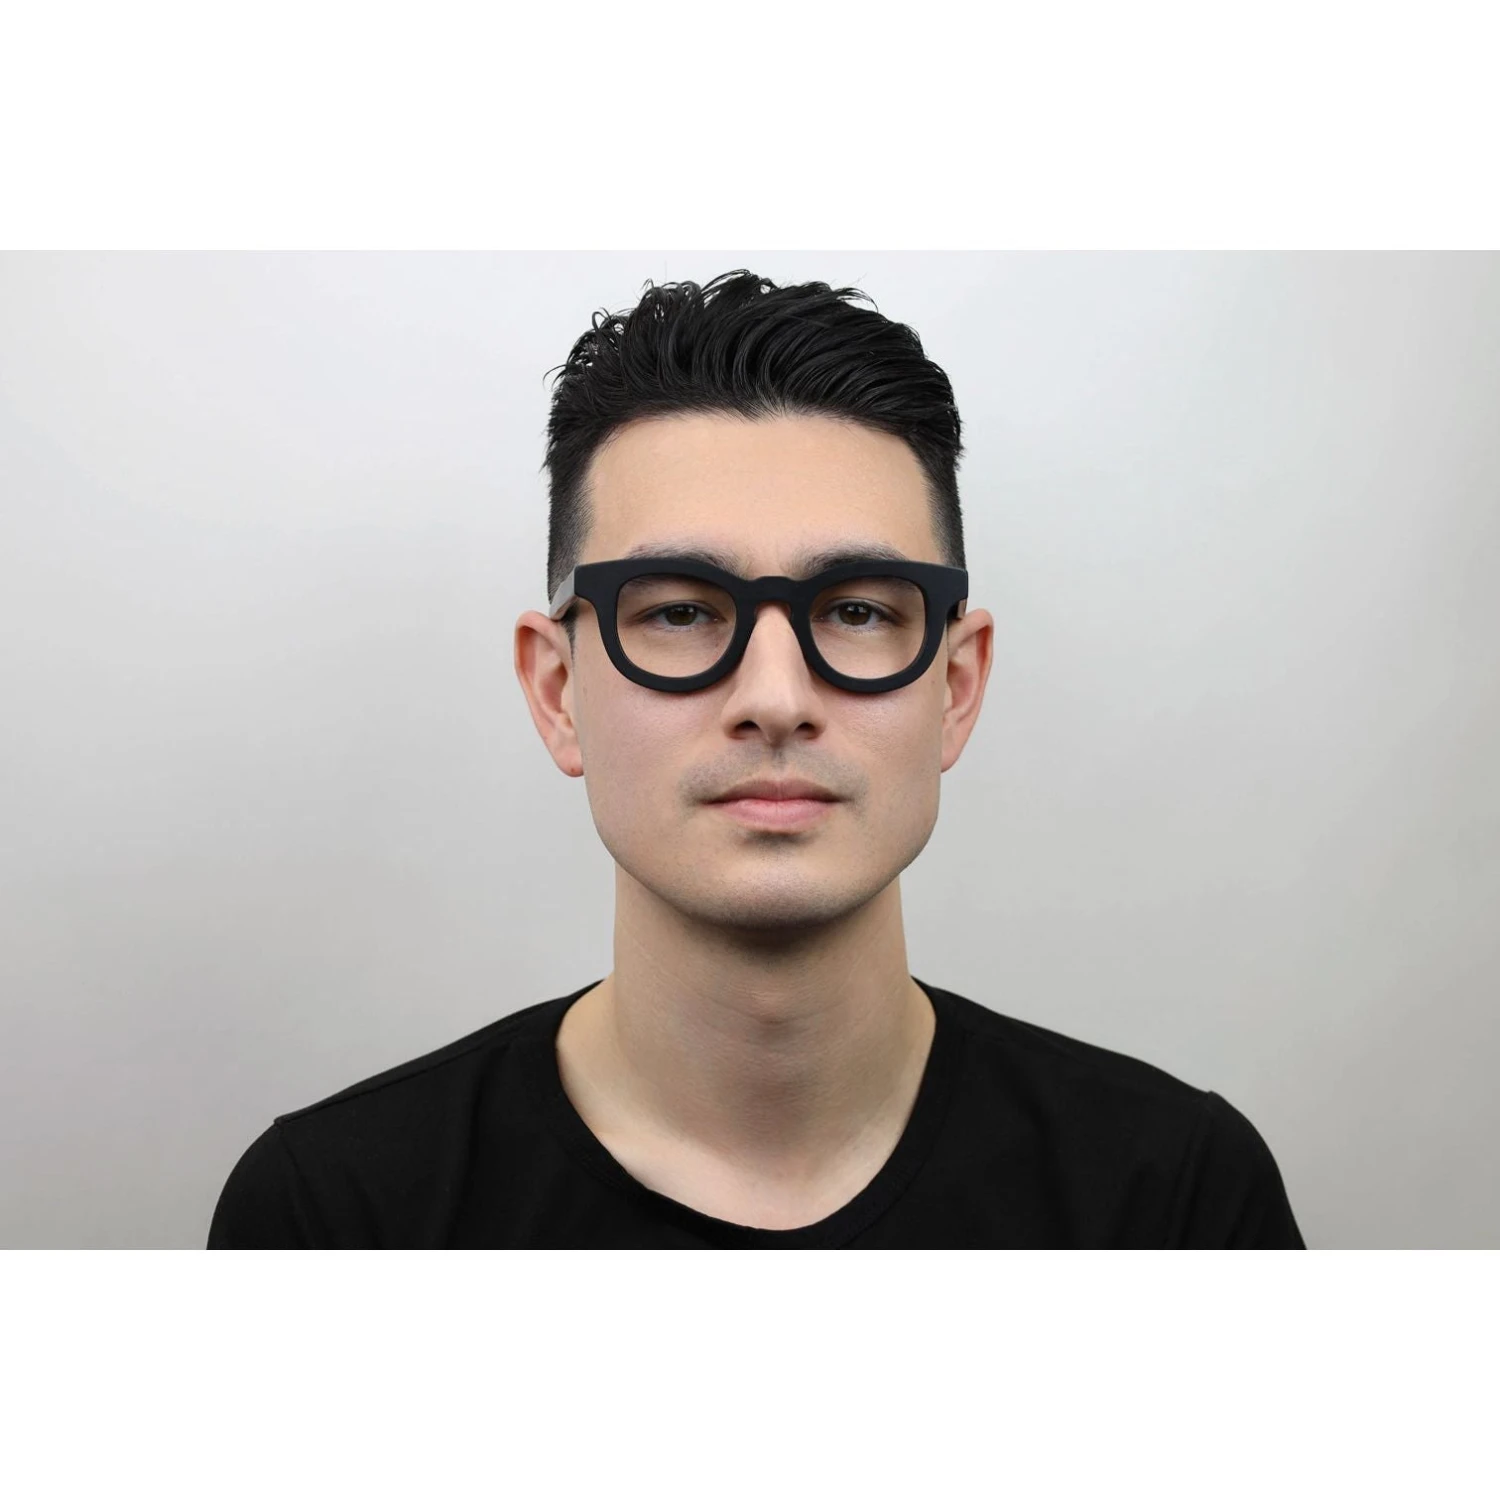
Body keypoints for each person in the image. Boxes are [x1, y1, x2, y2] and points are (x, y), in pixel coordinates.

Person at [208, 269, 1305, 1249]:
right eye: (680, 612)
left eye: (859, 610)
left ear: (957, 686)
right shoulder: (336, 1219)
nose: (775, 700)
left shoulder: (1176, 1204)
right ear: (557, 692)